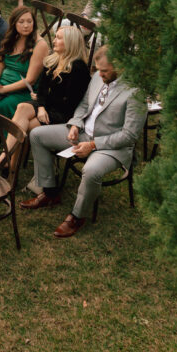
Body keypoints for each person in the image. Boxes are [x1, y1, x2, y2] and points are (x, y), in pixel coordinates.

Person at [21, 47, 147, 237]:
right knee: (37, 135)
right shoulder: (97, 77)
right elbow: (84, 105)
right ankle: (50, 193)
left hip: (111, 147)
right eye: (97, 70)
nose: (99, 74)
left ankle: (77, 216)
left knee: (91, 170)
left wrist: (94, 145)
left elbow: (129, 135)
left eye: (104, 71)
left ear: (119, 67)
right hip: (83, 134)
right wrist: (75, 124)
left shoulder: (135, 92)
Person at [0, 26, 91, 172]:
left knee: (28, 126)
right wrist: (41, 106)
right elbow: (42, 88)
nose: (54, 41)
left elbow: (68, 103)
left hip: (64, 114)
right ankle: (6, 160)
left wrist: (43, 102)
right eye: (55, 37)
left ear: (70, 42)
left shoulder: (78, 68)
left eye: (59, 38)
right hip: (47, 106)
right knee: (22, 108)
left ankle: (9, 164)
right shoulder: (53, 60)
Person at [0, 5, 49, 168]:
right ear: (14, 24)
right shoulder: (10, 37)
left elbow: (31, 79)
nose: (26, 25)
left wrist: (2, 89)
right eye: (22, 22)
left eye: (29, 21)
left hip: (24, 91)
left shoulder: (39, 44)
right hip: (2, 83)